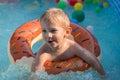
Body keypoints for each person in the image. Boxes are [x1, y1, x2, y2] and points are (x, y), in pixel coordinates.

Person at [30, 8, 105, 79]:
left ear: (67, 32)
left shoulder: (71, 47)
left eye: (53, 30)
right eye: (44, 31)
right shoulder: (43, 53)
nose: (48, 35)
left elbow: (91, 58)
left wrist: (103, 75)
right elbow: (35, 74)